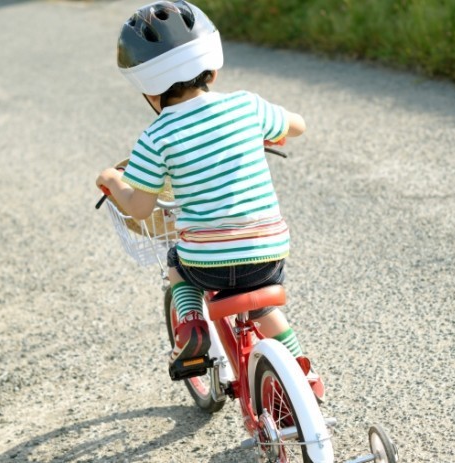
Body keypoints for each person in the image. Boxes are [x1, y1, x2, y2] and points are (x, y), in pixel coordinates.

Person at [95, 0, 324, 402]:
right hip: (265, 251)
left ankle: (192, 324)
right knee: (264, 306)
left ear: (147, 90)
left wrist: (114, 180)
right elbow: (298, 125)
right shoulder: (247, 106)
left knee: (176, 266)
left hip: (208, 264)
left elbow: (141, 208)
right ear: (213, 69)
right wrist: (271, 130)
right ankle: (306, 375)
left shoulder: (155, 138)